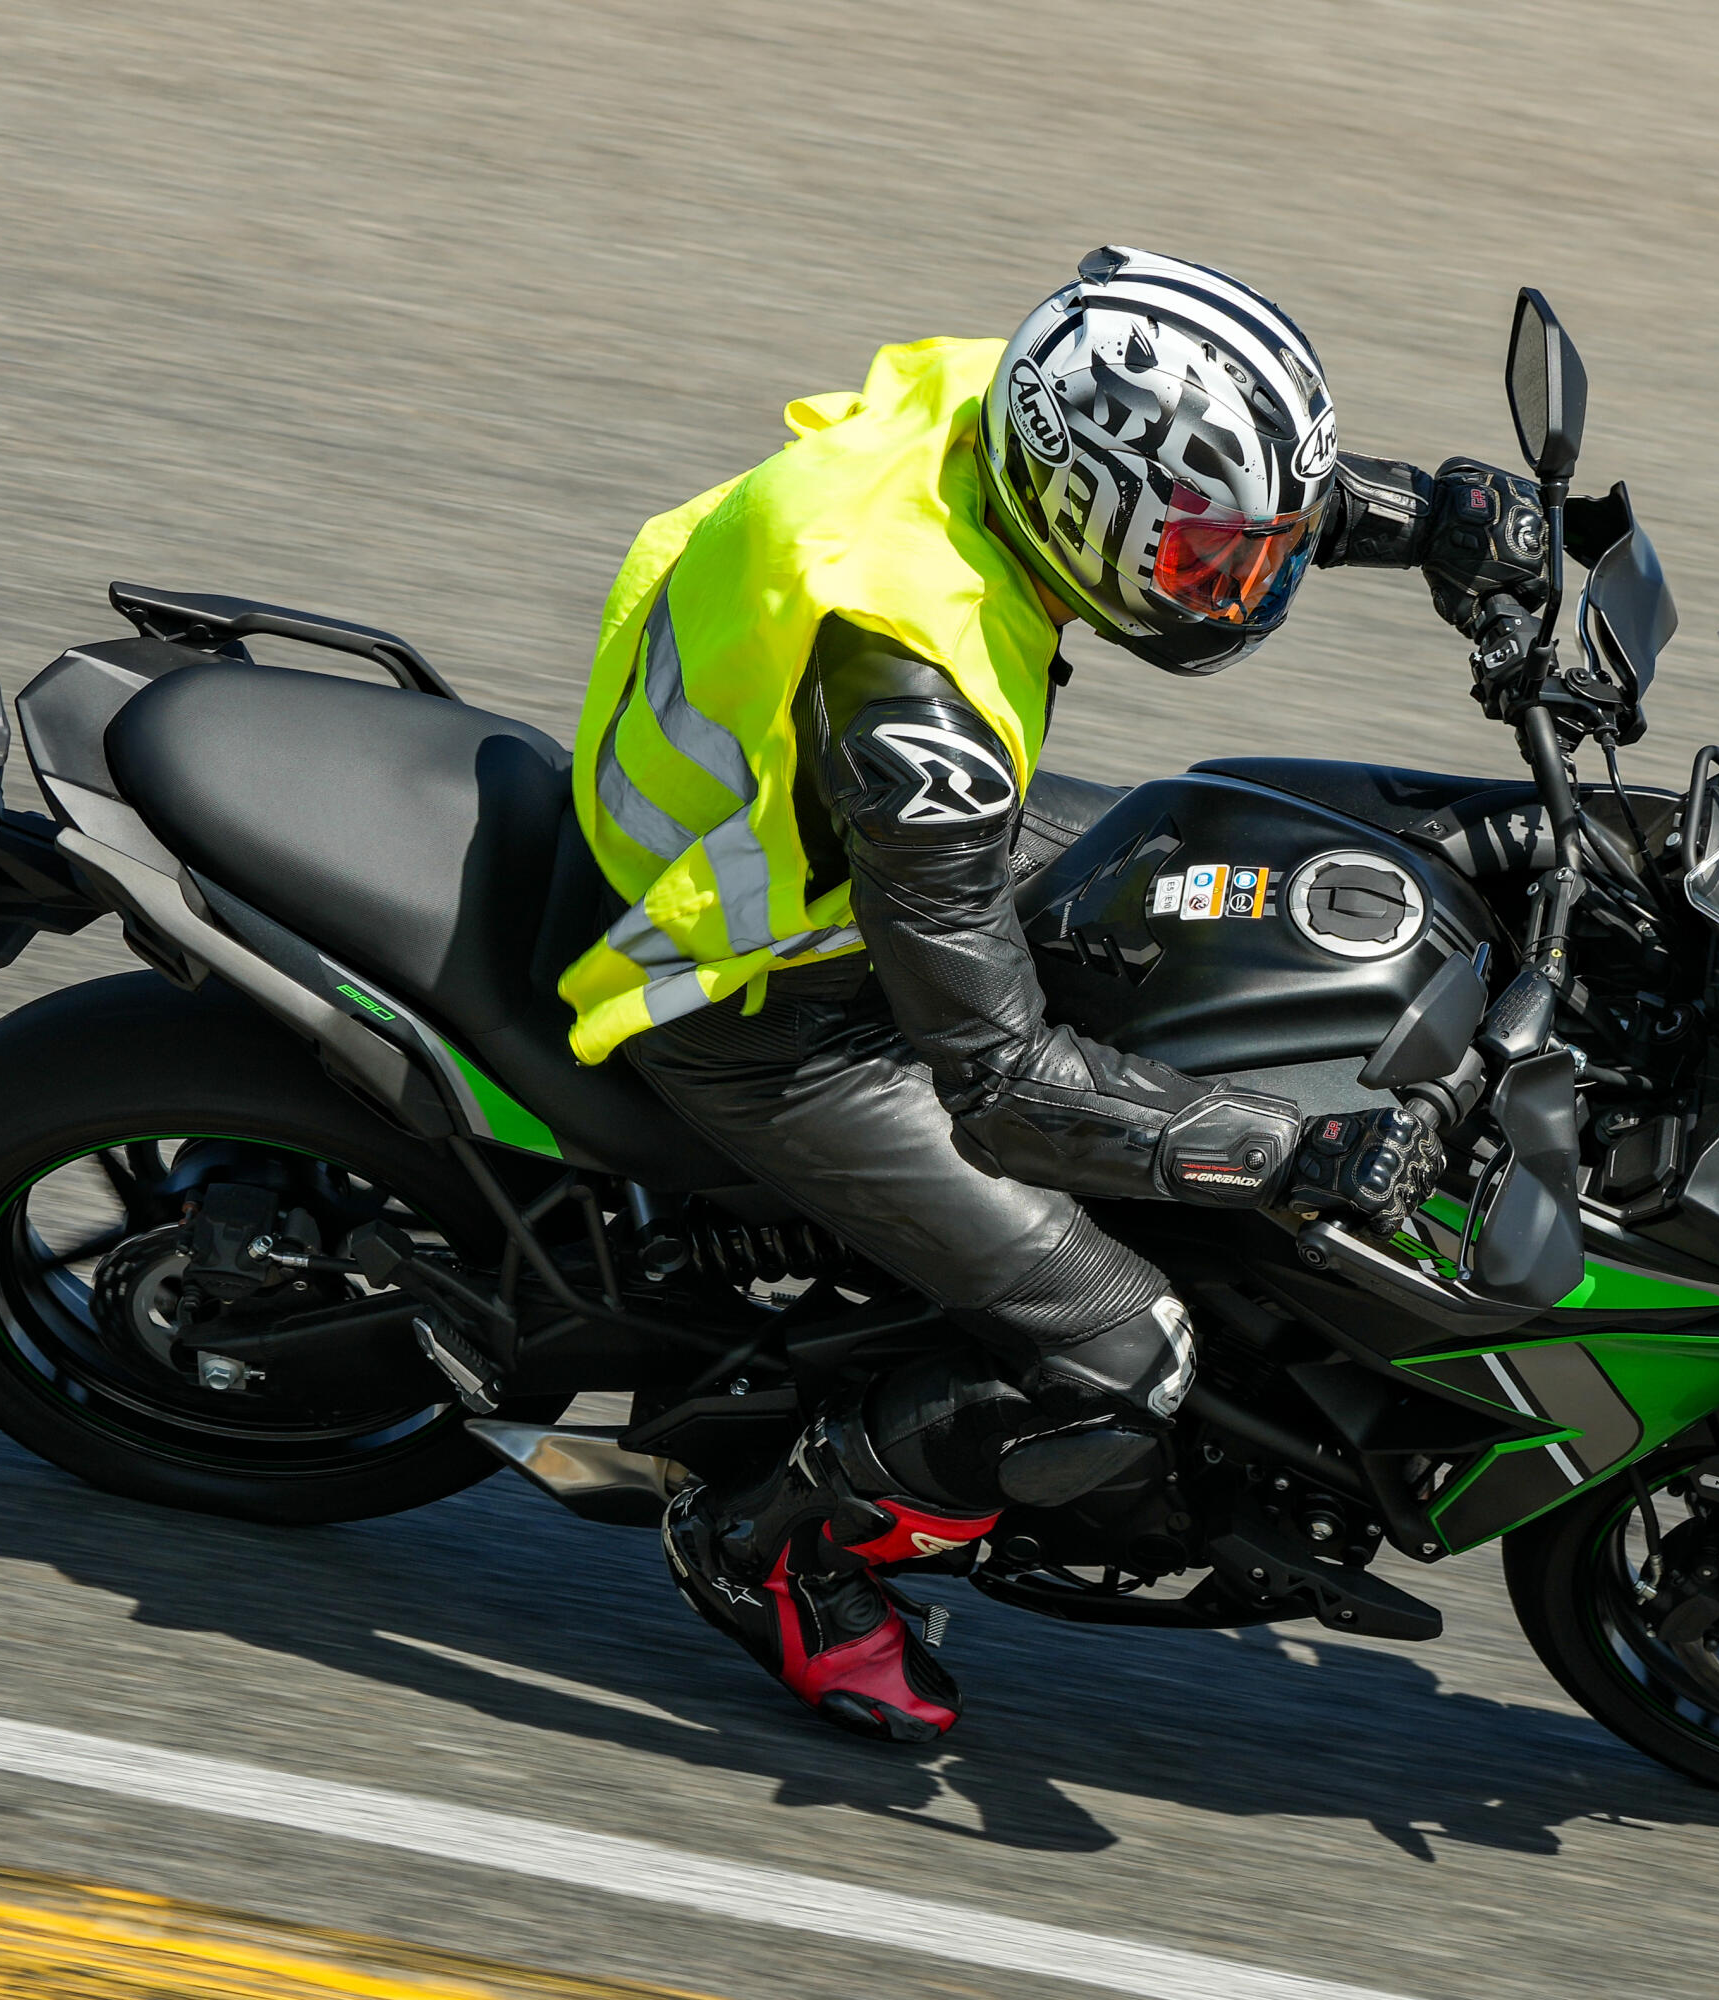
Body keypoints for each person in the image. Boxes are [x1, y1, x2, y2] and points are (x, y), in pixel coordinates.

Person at [558, 246, 1553, 1741]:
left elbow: (1184, 488)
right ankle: (768, 1546)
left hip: (807, 828)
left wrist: (1425, 519)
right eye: (1214, 563)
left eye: (1248, 553)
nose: (1241, 586)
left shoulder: (1015, 403)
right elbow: (1005, 1089)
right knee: (1127, 1352)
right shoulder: (923, 709)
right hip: (752, 989)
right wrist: (1291, 1150)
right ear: (1089, 520)